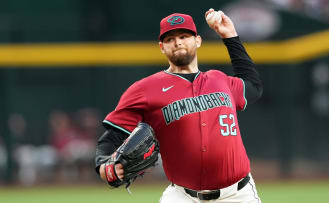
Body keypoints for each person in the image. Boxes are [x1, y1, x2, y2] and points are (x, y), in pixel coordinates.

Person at [95, 9, 263, 203]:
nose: (178, 42)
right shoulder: (144, 90)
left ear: (197, 41)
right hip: (182, 196)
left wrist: (230, 36)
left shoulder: (220, 80)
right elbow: (112, 135)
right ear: (162, 47)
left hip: (237, 195)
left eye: (184, 36)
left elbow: (253, 86)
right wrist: (102, 164)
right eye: (170, 39)